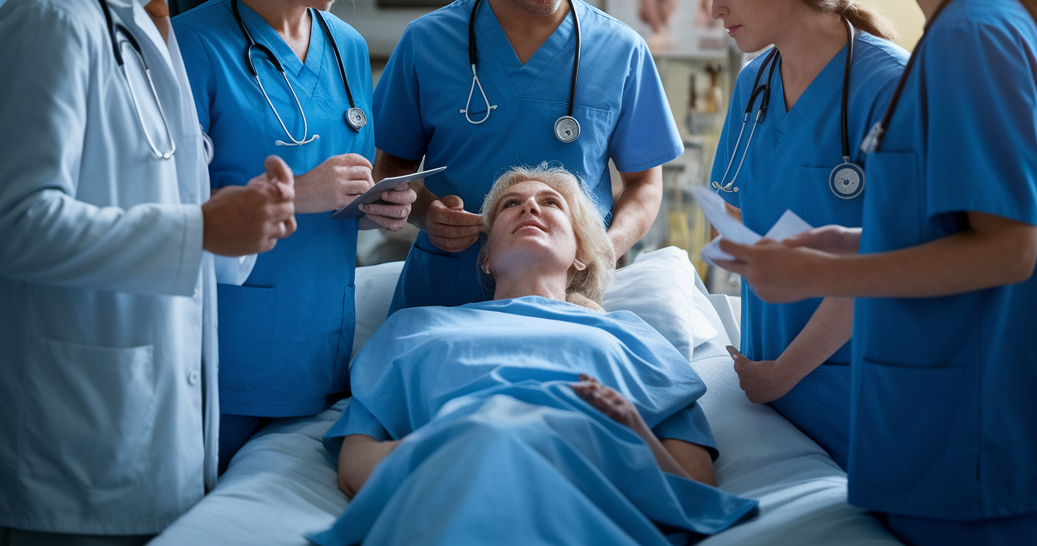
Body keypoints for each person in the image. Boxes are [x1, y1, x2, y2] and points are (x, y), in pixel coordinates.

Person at [714, 0, 1037, 545]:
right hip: (924, 435)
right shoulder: (956, 34)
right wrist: (838, 244)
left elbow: (1010, 249)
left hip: (966, 442)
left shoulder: (978, 35)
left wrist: (822, 277)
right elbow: (928, 227)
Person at [0, 0, 298, 544]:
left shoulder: (145, 17)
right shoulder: (52, 24)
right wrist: (200, 228)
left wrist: (230, 227)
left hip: (140, 437)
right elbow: (14, 228)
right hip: (71, 449)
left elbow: (147, 192)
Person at [316, 166, 758, 546]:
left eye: (550, 203)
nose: (529, 208)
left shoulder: (633, 339)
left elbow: (694, 483)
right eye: (510, 204)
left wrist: (635, 428)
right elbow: (356, 466)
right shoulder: (414, 329)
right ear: (486, 257)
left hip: (588, 479)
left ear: (581, 257)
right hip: (458, 472)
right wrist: (462, 439)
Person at [173, 0, 414, 473]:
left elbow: (343, 185)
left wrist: (373, 204)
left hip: (325, 348)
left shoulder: (349, 48)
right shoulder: (193, 48)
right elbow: (163, 211)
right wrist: (297, 194)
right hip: (230, 353)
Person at [372, 0, 682, 311]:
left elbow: (645, 185)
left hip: (566, 299)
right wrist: (427, 214)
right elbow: (391, 166)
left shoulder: (621, 50)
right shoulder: (426, 44)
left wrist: (600, 251)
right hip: (446, 295)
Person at [695, 0, 907, 471]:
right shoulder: (755, 82)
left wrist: (779, 375)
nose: (716, 7)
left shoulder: (887, 87)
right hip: (769, 392)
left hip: (854, 388)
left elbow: (892, 261)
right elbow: (736, 211)